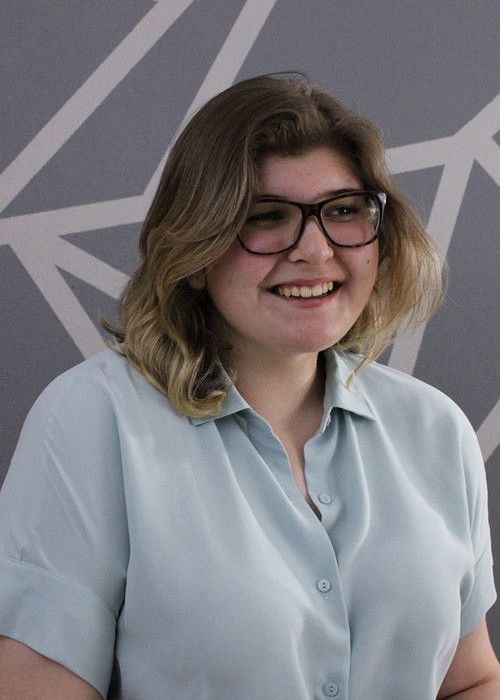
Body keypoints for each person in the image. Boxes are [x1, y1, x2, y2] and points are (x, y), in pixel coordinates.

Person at [0, 73, 498, 699]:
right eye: (267, 217)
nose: (315, 250)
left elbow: (469, 681)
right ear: (195, 250)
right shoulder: (92, 418)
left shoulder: (435, 428)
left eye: (344, 211)